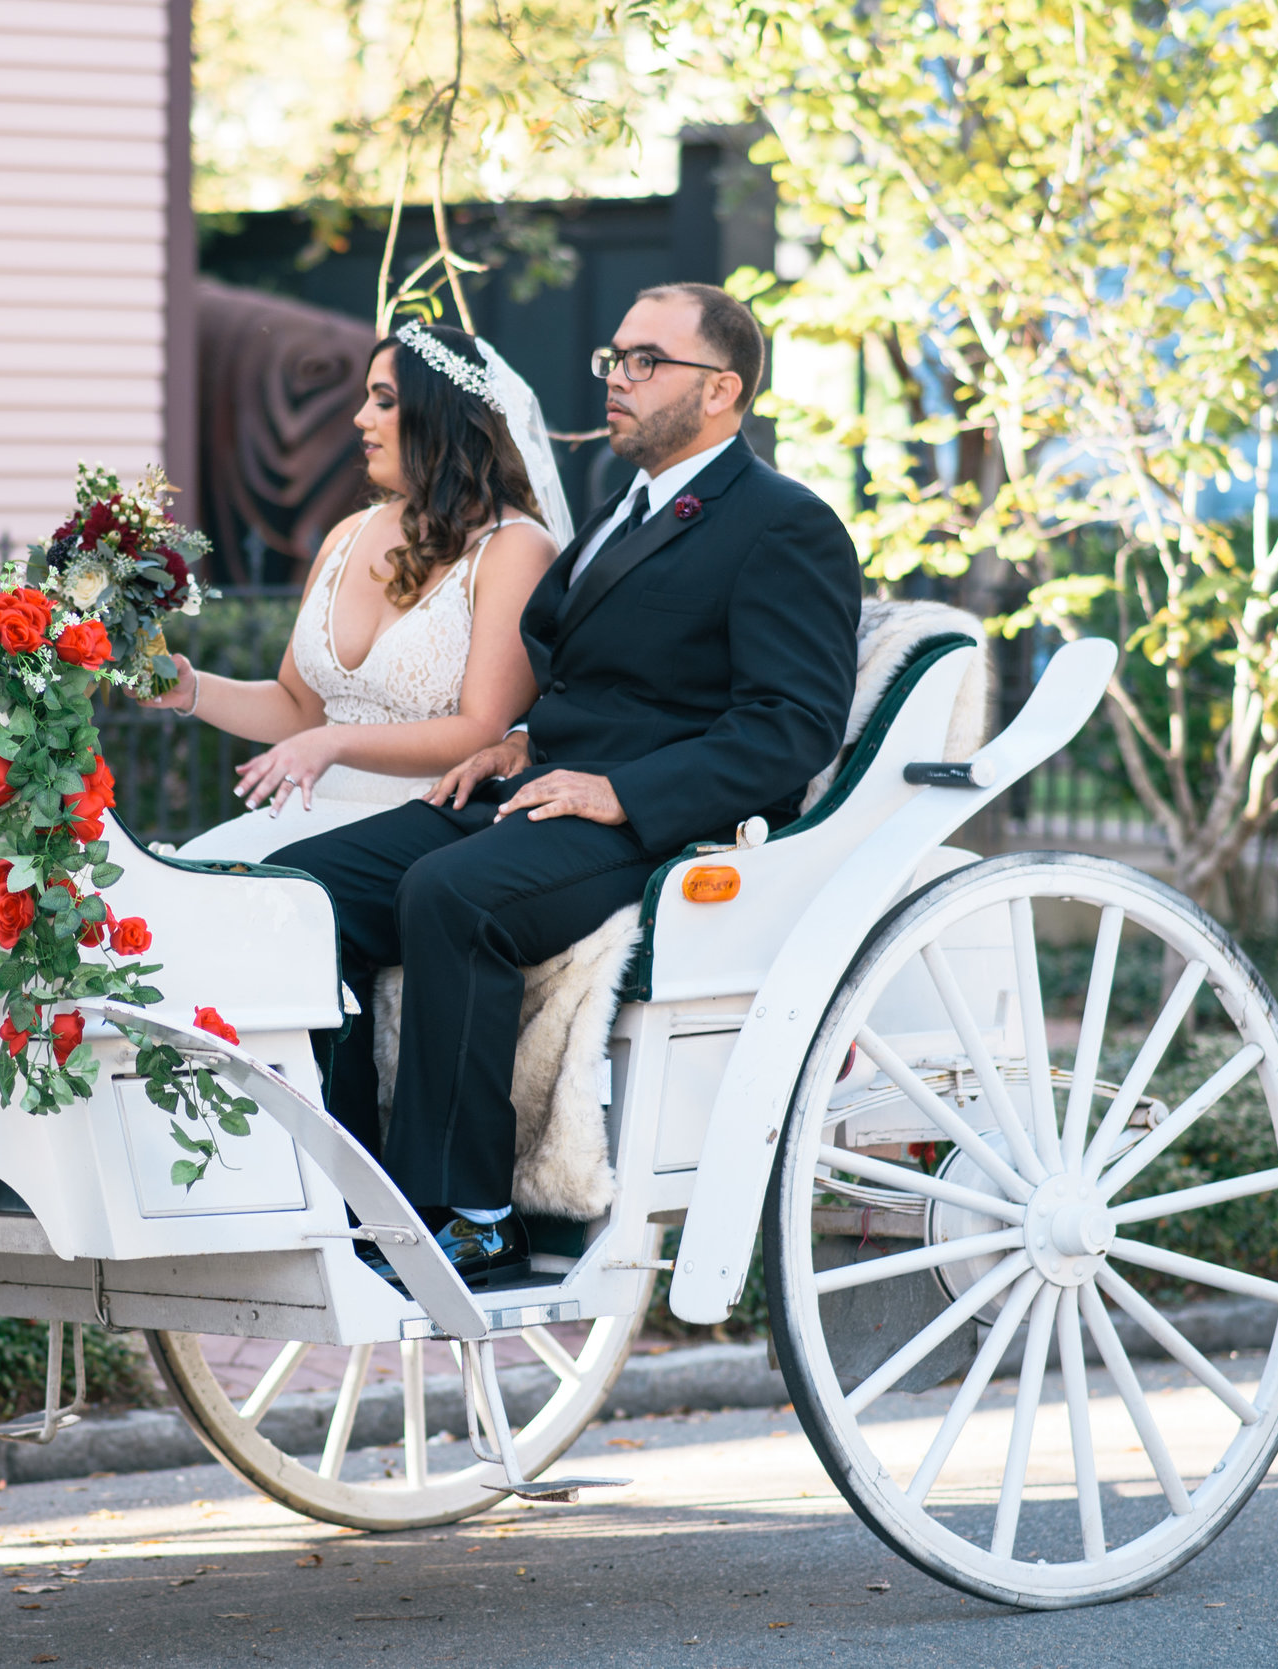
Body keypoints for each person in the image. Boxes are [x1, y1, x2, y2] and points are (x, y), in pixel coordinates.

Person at [273, 283, 862, 1287]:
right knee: (299, 894)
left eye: (644, 362)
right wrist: (514, 741)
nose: (616, 380)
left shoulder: (782, 525)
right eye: (614, 358)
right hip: (538, 791)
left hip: (658, 826)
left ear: (721, 390)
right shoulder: (617, 511)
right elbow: (594, 680)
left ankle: (471, 1215)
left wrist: (620, 793)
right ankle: (356, 1179)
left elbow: (789, 726)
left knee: (451, 895)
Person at [147, 321, 569, 861]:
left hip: (425, 831)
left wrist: (333, 742)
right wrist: (192, 691)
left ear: (439, 414)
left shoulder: (516, 549)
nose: (360, 418)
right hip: (308, 816)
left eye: (384, 400)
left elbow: (480, 731)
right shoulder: (347, 535)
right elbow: (299, 708)